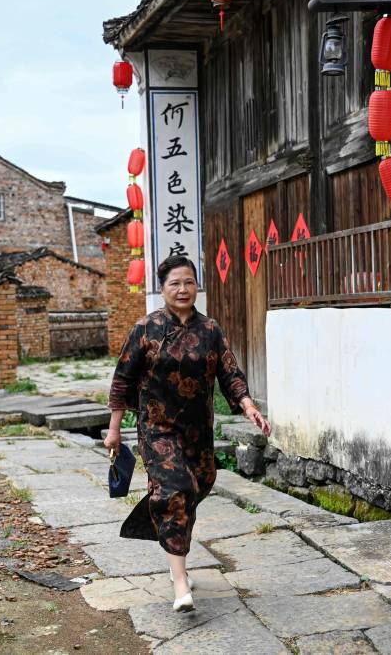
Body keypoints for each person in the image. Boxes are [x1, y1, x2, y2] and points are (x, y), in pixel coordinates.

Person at [104, 255, 271, 613]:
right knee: (174, 490)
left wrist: (248, 405)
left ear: (197, 286)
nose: (182, 289)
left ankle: (169, 540)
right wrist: (114, 431)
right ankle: (180, 583)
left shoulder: (210, 330)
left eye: (189, 282)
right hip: (157, 428)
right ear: (162, 288)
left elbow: (229, 372)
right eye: (175, 283)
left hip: (197, 430)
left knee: (196, 487)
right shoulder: (145, 329)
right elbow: (122, 381)